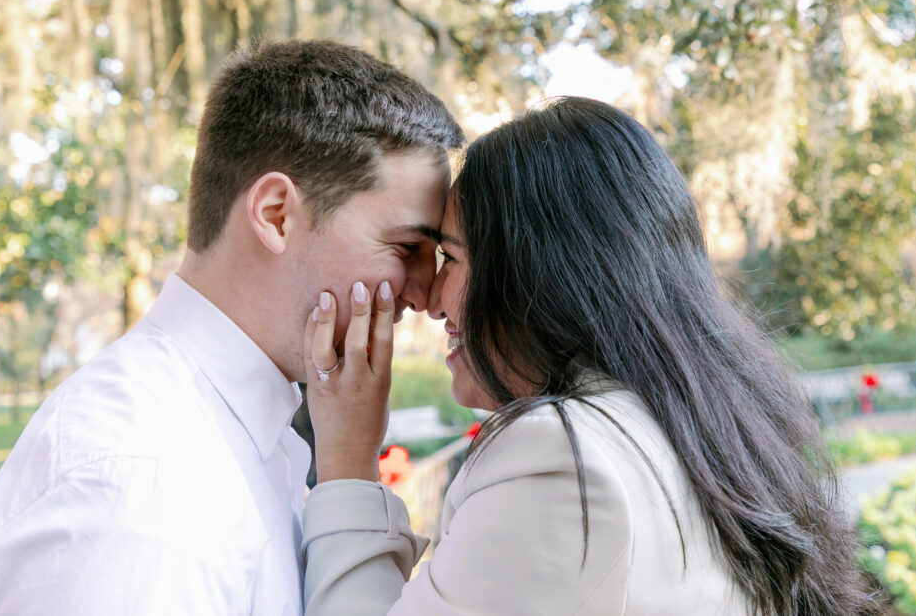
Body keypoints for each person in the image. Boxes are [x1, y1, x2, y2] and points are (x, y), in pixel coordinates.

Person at [298, 97, 878, 615]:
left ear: (535, 275)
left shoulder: (560, 456)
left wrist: (348, 457)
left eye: (451, 258)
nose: (427, 296)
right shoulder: (699, 424)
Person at [0, 39, 463, 615]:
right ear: (275, 215)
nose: (426, 292)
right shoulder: (147, 486)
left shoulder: (237, 435)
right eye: (408, 246)